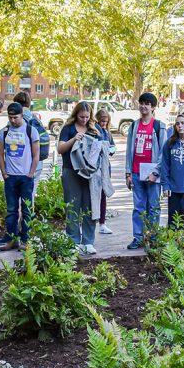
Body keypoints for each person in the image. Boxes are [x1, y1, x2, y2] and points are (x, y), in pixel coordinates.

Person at [57, 100, 102, 254]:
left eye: (87, 117)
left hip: (90, 173)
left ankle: (88, 241)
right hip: (71, 171)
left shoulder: (95, 130)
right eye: (81, 117)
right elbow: (60, 148)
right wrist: (74, 139)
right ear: (76, 114)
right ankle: (73, 240)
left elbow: (103, 149)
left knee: (90, 206)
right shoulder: (68, 128)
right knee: (72, 206)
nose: (84, 120)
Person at [124, 92, 167, 250]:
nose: (143, 106)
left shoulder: (159, 126)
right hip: (136, 173)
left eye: (147, 104)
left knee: (153, 207)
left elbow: (164, 153)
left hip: (153, 174)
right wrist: (128, 173)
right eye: (141, 103)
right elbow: (129, 151)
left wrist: (156, 173)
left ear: (153, 107)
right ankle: (138, 237)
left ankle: (153, 237)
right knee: (138, 208)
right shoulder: (134, 126)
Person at [0, 102, 40, 251]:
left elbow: (36, 155)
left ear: (22, 115)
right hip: (10, 177)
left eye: (15, 117)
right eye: (10, 117)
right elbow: (0, 155)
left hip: (25, 177)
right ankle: (12, 239)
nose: (13, 120)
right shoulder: (4, 131)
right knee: (11, 210)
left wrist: (31, 173)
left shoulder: (30, 130)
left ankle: (25, 240)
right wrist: (4, 173)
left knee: (27, 210)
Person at [95, 109, 116, 236]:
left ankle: (102, 223)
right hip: (96, 167)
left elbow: (112, 148)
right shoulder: (95, 130)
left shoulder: (107, 132)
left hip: (105, 166)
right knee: (94, 195)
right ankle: (97, 222)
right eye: (101, 121)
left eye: (105, 122)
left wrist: (111, 149)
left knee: (103, 195)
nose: (103, 124)